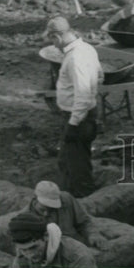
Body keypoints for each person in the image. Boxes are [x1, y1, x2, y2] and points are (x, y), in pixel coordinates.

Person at [43, 16, 104, 198]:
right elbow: (100, 76)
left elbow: (83, 94)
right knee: (69, 159)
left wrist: (73, 123)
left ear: (57, 36)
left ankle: (83, 200)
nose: (54, 45)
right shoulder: (87, 48)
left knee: (77, 164)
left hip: (78, 117)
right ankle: (66, 195)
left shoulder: (76, 57)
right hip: (84, 114)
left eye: (52, 40)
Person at [28, 180, 99, 247]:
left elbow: (84, 222)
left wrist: (93, 234)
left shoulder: (66, 199)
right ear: (35, 198)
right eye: (42, 209)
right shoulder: (25, 218)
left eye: (51, 209)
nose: (46, 213)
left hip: (77, 246)